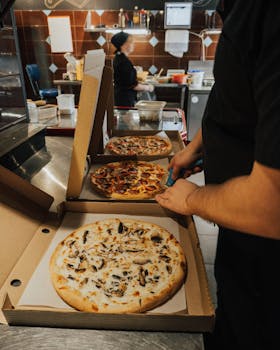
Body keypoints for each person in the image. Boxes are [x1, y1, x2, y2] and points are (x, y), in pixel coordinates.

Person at [156, 1, 280, 349]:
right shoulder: (246, 10)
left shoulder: (268, 13)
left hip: (268, 265)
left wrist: (192, 198)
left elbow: (272, 204)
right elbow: (235, 92)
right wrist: (199, 145)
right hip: (241, 241)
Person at [111, 32, 154, 107]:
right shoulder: (124, 62)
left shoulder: (119, 58)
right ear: (123, 45)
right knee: (125, 118)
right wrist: (148, 87)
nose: (133, 45)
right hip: (124, 100)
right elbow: (133, 86)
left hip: (120, 98)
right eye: (131, 42)